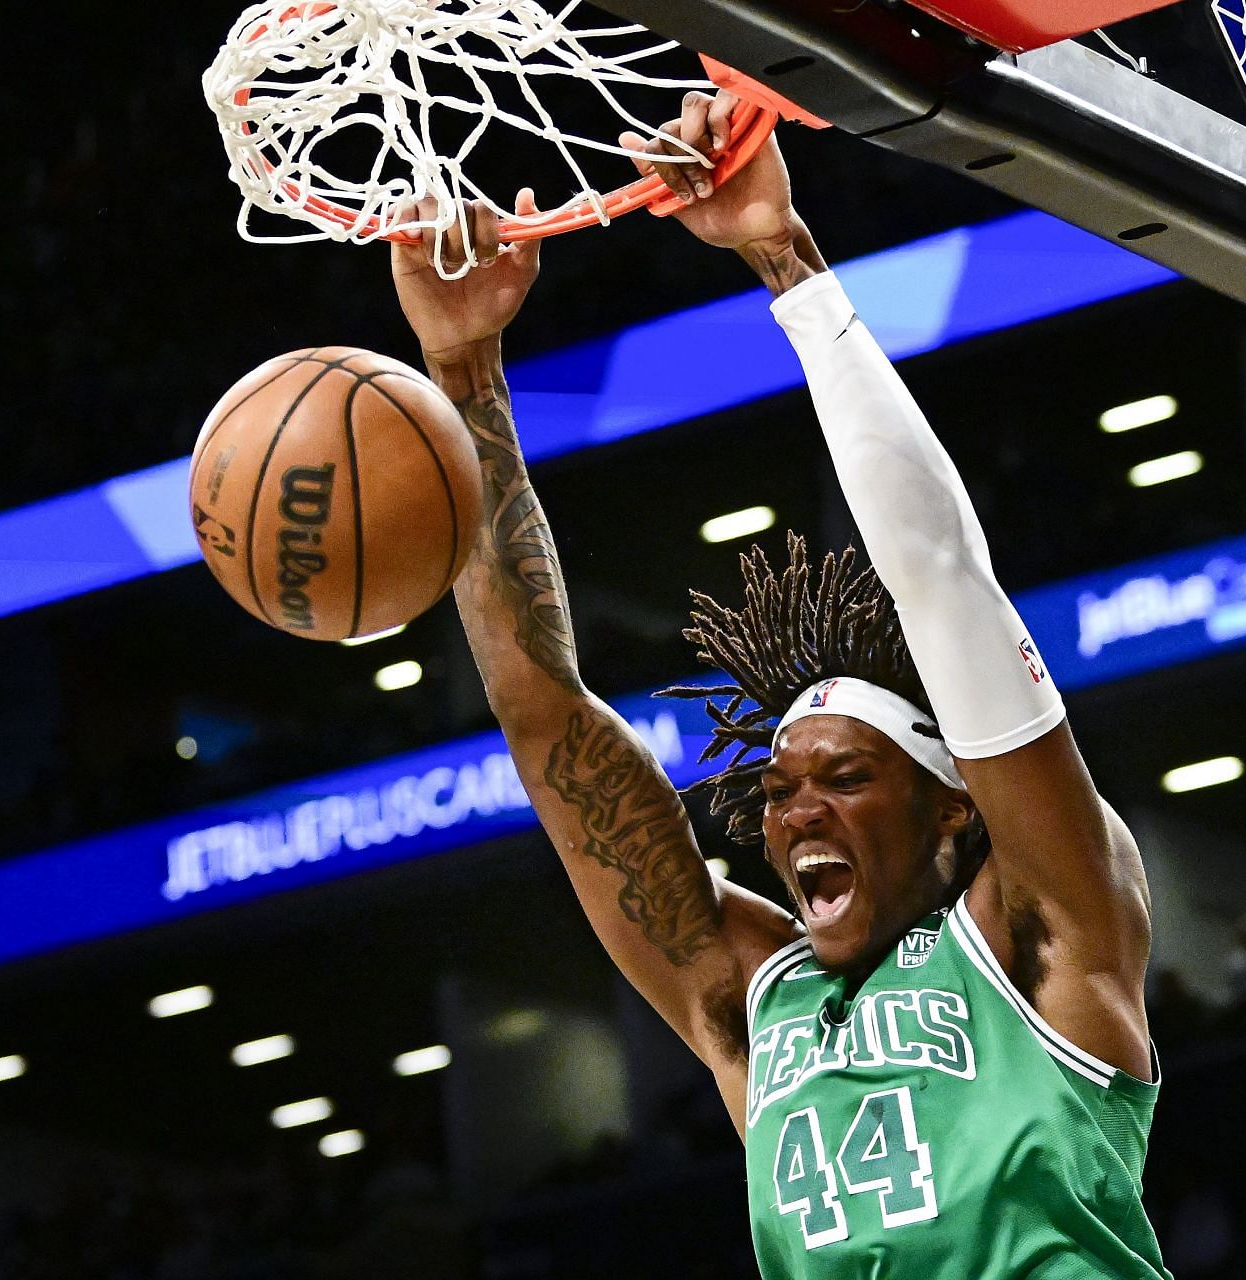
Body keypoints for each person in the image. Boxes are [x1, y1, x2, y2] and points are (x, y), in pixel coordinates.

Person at [390, 90, 1168, 1279]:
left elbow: (943, 578)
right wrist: (465, 375)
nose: (793, 810)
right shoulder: (763, 1001)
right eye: (781, 784)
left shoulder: (1046, 929)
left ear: (955, 802)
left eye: (846, 776)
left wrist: (783, 259)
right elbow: (546, 717)